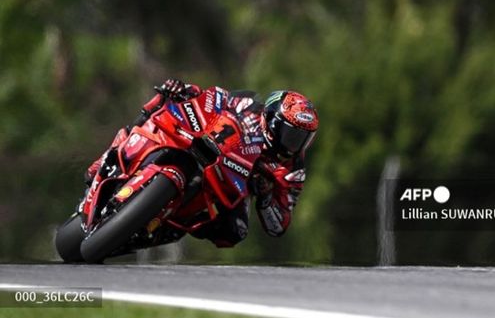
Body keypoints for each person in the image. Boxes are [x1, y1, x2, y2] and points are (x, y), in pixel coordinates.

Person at [84, 79, 319, 248]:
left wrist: (266, 196)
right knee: (162, 100)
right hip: (208, 147)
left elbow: (278, 225)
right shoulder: (248, 106)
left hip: (233, 185)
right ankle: (110, 155)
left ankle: (163, 228)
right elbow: (215, 99)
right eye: (291, 134)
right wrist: (187, 91)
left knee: (235, 232)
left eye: (302, 138)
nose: (294, 144)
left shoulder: (292, 170)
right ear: (272, 121)